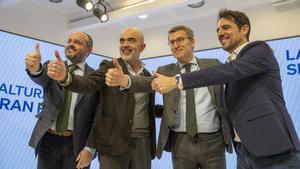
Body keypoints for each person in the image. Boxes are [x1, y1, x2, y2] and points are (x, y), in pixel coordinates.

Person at [151, 9, 300, 169]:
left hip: (273, 149)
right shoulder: (234, 64)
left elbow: (225, 72)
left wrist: (176, 81)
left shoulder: (259, 50)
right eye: (218, 30)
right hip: (244, 150)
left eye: (226, 27)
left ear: (244, 29)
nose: (220, 33)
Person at [106, 25, 232, 169]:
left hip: (213, 141)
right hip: (180, 142)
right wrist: (125, 80)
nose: (175, 45)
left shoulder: (213, 64)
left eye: (180, 40)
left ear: (192, 42)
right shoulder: (165, 71)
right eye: (171, 42)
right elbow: (146, 82)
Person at [47, 27, 156, 169]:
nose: (125, 44)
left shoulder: (147, 75)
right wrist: (65, 77)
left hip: (143, 144)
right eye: (122, 41)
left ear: (142, 47)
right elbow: (87, 83)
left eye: (131, 40)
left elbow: (145, 107)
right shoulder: (109, 67)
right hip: (112, 144)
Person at [25, 32, 101, 169]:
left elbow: (98, 117)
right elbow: (40, 77)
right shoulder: (53, 66)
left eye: (77, 42)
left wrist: (90, 148)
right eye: (69, 41)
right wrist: (35, 69)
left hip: (77, 144)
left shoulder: (95, 78)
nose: (71, 44)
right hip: (48, 140)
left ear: (89, 50)